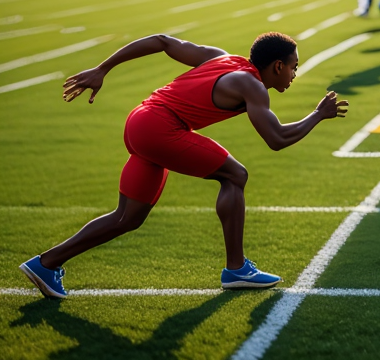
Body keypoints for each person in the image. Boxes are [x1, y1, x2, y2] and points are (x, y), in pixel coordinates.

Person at [19, 32, 349, 299]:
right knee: (235, 175)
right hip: (160, 128)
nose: (294, 74)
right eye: (293, 67)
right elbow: (276, 138)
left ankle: (46, 263)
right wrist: (318, 115)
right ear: (277, 66)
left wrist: (103, 68)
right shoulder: (252, 85)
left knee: (127, 218)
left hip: (140, 121)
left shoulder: (221, 57)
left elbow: (163, 41)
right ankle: (236, 269)